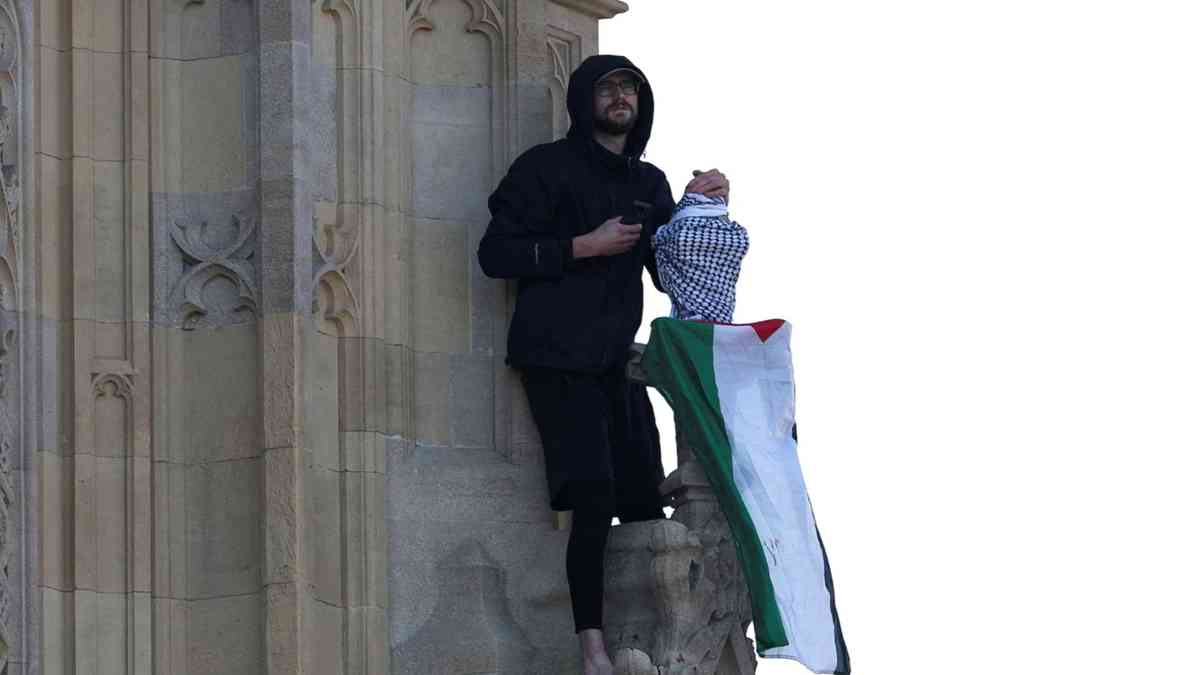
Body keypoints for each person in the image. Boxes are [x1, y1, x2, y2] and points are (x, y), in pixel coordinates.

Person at [477, 54, 730, 675]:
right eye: (610, 87)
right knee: (592, 495)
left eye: (631, 88)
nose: (621, 97)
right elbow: (495, 253)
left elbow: (672, 272)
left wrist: (704, 211)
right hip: (556, 357)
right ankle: (591, 651)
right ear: (586, 97)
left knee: (643, 496)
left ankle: (645, 648)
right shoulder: (545, 167)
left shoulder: (650, 184)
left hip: (618, 362)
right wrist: (582, 245)